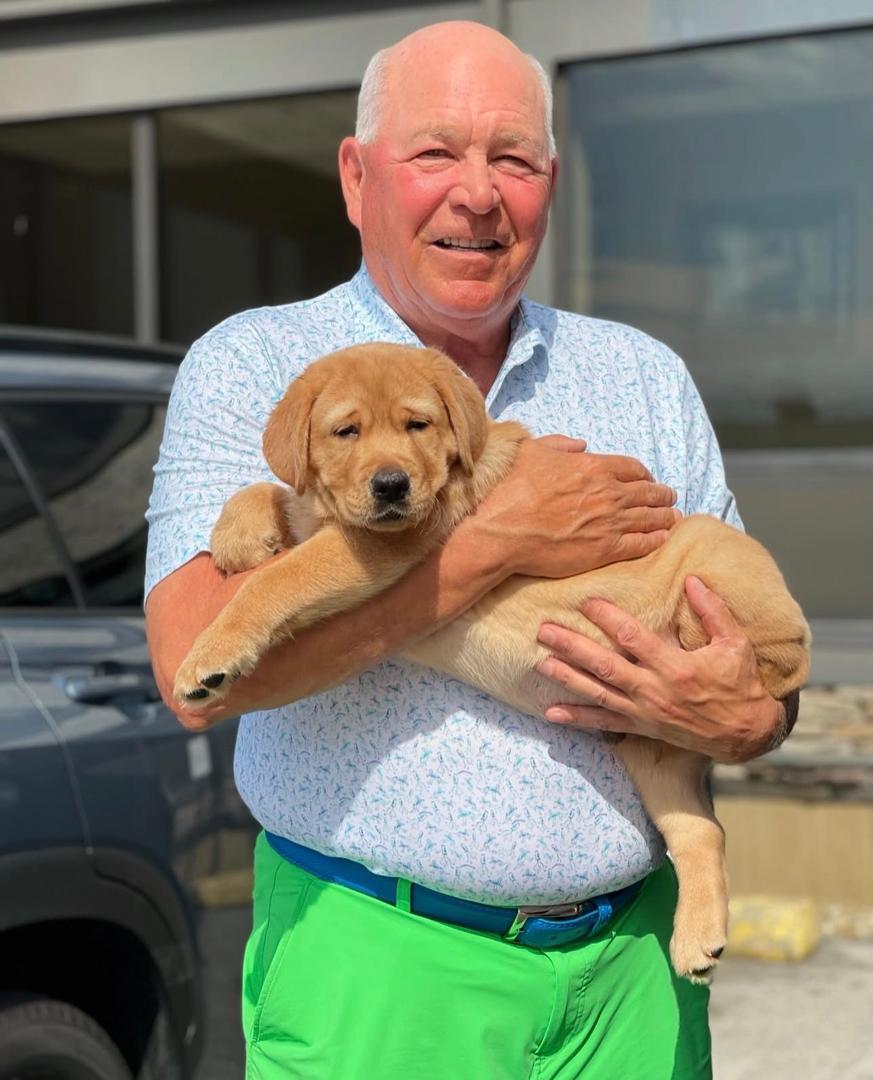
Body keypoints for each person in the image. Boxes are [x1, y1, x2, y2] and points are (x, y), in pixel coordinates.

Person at [145, 21, 797, 1080]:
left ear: (549, 181)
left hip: (633, 971)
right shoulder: (252, 362)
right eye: (437, 152)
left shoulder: (643, 374)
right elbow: (194, 672)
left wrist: (753, 717)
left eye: (514, 159)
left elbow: (756, 667)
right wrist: (491, 547)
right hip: (380, 970)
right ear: (358, 178)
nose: (479, 193)